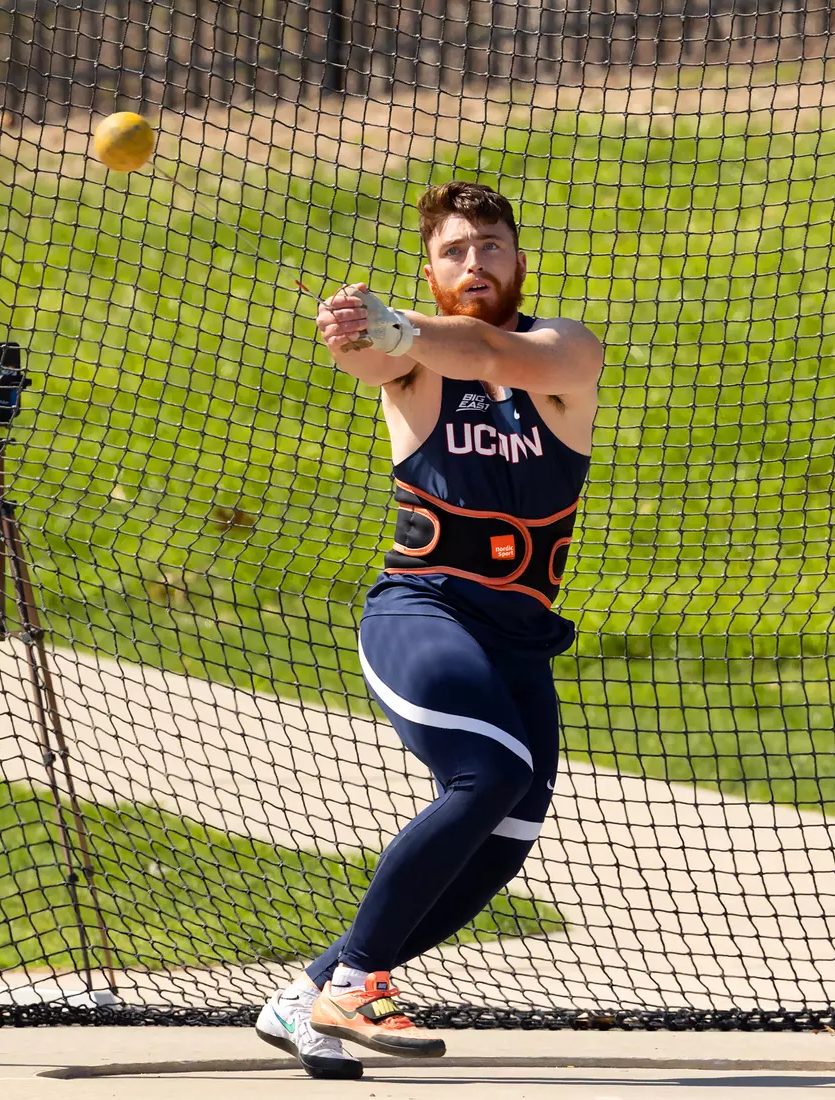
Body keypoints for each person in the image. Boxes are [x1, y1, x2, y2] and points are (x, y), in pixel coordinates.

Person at [253, 181, 603, 1079]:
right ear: (431, 272)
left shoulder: (565, 354)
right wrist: (362, 335)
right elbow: (378, 363)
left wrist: (396, 326)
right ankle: (361, 980)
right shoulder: (411, 366)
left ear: (519, 261)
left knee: (502, 844)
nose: (475, 262)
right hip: (424, 614)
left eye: (490, 245)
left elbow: (489, 348)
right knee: (491, 771)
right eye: (454, 251)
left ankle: (311, 996)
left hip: (519, 640)